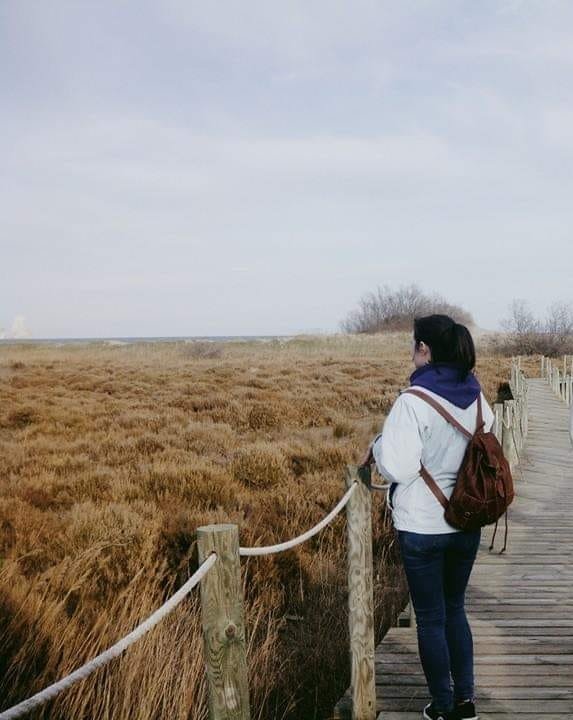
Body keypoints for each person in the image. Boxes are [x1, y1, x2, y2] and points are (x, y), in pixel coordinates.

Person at [360, 314, 494, 720]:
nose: (411, 352)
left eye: (413, 345)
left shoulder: (412, 402)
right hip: (466, 521)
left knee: (431, 617)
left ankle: (442, 704)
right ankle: (466, 702)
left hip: (421, 525)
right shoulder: (478, 398)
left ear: (425, 350)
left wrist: (379, 445)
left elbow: (397, 468)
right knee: (455, 608)